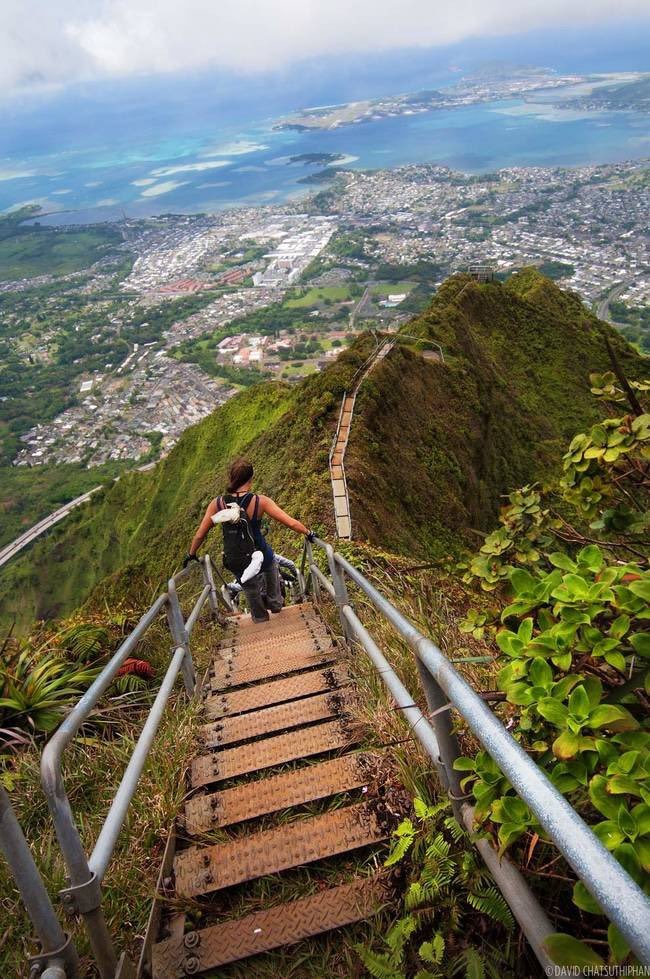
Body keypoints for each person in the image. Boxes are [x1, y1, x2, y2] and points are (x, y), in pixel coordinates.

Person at [184, 458, 314, 623]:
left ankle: (260, 618)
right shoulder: (260, 501)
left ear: (231, 478)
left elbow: (200, 534)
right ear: (251, 478)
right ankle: (275, 603)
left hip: (236, 558)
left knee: (251, 590)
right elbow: (291, 522)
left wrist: (191, 553)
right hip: (262, 554)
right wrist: (308, 533)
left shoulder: (217, 503)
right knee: (271, 570)